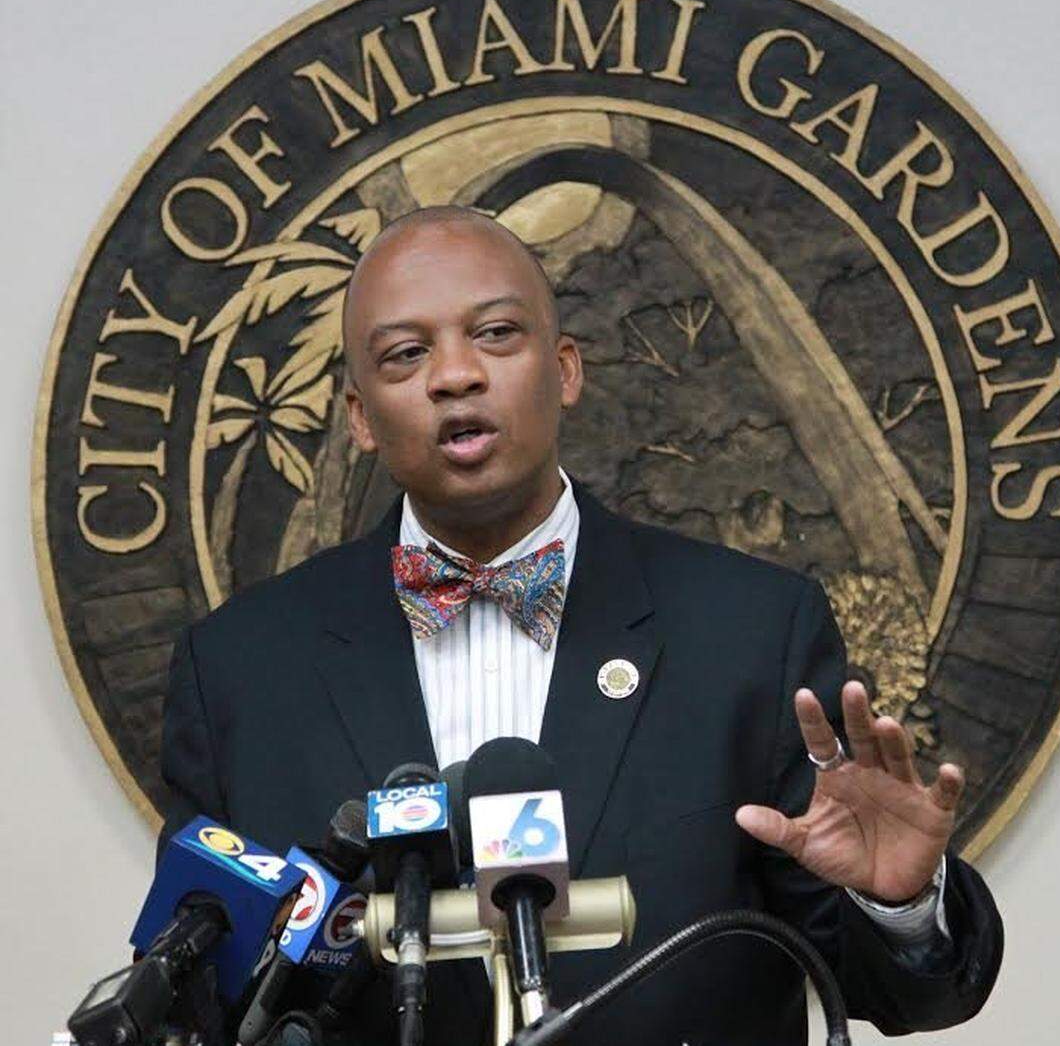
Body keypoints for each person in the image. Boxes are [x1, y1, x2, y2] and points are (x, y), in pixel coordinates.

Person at [160, 206, 1002, 1045]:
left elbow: (894, 992)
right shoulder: (240, 669)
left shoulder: (750, 633)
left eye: (494, 334)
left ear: (565, 369)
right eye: (406, 354)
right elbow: (202, 991)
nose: (454, 375)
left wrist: (898, 905)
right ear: (358, 415)